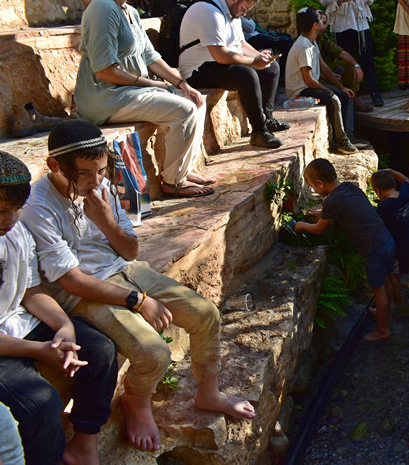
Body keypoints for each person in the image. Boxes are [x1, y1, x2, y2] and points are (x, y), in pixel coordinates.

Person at [21, 120, 256, 453]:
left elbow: (131, 251)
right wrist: (137, 300)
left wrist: (104, 220)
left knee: (205, 314)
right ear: (54, 166)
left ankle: (209, 393)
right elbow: (69, 280)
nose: (95, 181)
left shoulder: (101, 186)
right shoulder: (37, 207)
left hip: (125, 269)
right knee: (153, 352)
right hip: (81, 291)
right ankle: (136, 401)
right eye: (84, 174)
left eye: (100, 170)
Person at [0, 151, 118, 465]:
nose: (10, 220)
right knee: (41, 402)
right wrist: (39, 350)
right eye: (1, 211)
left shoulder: (16, 233)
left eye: (17, 210)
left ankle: (84, 443)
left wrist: (63, 327)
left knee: (101, 350)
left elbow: (31, 292)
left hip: (18, 324)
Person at [74, 0, 213, 198]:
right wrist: (153, 84)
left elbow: (151, 57)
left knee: (196, 99)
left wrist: (183, 84)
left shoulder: (129, 11)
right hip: (105, 96)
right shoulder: (102, 10)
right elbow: (105, 71)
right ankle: (173, 181)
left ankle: (183, 168)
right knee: (183, 109)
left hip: (128, 91)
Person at [180, 0, 289, 149]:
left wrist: (260, 57)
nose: (245, 14)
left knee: (272, 68)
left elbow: (240, 43)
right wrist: (253, 62)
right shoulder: (208, 10)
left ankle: (267, 119)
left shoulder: (231, 12)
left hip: (218, 64)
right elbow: (220, 55)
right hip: (198, 70)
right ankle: (259, 131)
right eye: (245, 8)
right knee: (246, 74)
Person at [295, 159, 394, 340]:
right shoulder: (348, 188)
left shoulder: (332, 200)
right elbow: (344, 208)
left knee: (377, 291)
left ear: (320, 183)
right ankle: (385, 309)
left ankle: (383, 330)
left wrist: (301, 225)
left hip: (374, 248)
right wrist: (321, 213)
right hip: (386, 239)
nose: (315, 191)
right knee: (385, 280)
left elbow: (318, 229)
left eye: (313, 187)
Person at [317, 0, 384, 107]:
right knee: (346, 62)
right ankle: (352, 97)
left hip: (359, 24)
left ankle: (376, 93)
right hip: (340, 25)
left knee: (367, 59)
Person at [285, 8, 358, 155]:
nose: (323, 20)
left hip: (308, 87)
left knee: (344, 95)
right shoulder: (303, 46)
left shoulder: (312, 43)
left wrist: (341, 87)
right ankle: (341, 141)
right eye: (320, 19)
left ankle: (347, 138)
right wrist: (329, 90)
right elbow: (309, 79)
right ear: (315, 25)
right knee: (333, 99)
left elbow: (325, 69)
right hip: (299, 92)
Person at [370, 169, 409, 293]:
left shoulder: (384, 207)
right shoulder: (404, 194)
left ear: (377, 191)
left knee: (393, 274)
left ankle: (398, 302)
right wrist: (390, 171)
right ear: (394, 185)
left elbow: (376, 227)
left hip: (397, 249)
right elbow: (405, 179)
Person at [317, 12, 372, 113]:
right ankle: (349, 101)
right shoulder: (307, 41)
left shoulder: (322, 37)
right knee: (337, 82)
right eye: (322, 22)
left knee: (347, 65)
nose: (324, 26)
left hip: (324, 71)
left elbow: (340, 52)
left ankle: (353, 98)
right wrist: (326, 76)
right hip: (315, 77)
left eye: (325, 23)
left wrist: (356, 65)